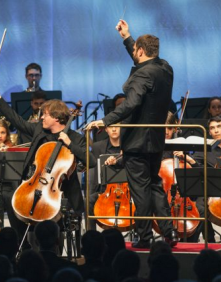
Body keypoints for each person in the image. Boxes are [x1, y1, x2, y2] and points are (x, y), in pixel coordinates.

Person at [87, 19, 177, 248]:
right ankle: (170, 232)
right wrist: (127, 38)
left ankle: (145, 237)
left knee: (141, 190)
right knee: (155, 184)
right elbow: (143, 63)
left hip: (137, 142)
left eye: (135, 49)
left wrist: (105, 120)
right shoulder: (165, 68)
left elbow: (131, 104)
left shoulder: (142, 75)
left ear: (141, 50)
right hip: (156, 140)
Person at [0, 87, 97, 246]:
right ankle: (24, 247)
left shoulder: (76, 139)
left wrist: (69, 144)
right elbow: (17, 120)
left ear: (56, 117)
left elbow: (91, 161)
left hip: (61, 194)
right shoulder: (40, 130)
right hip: (36, 186)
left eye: (44, 114)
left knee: (54, 219)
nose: (41, 117)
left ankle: (52, 252)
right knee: (12, 200)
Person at [88, 125, 122, 230]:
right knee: (88, 201)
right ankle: (91, 235)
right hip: (105, 192)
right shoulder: (98, 147)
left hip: (126, 191)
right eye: (111, 126)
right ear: (106, 129)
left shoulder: (129, 147)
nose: (114, 129)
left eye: (117, 126)